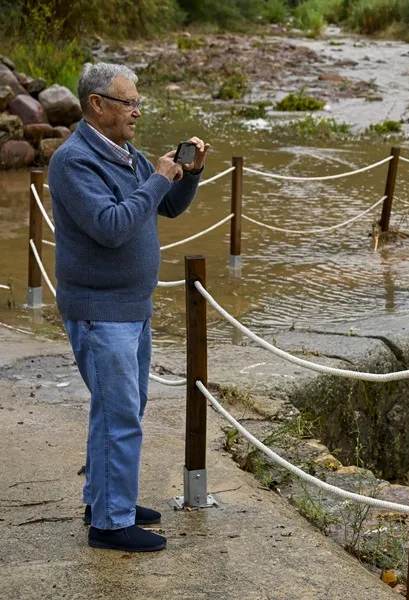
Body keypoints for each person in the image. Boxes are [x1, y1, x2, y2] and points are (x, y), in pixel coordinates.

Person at [48, 62, 210, 552]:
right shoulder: (73, 161)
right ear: (97, 105)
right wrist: (159, 177)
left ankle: (105, 500)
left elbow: (168, 207)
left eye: (138, 102)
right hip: (100, 310)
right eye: (129, 103)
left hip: (131, 307)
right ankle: (110, 524)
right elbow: (112, 226)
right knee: (120, 417)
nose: (137, 111)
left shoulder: (123, 152)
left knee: (120, 410)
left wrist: (187, 176)